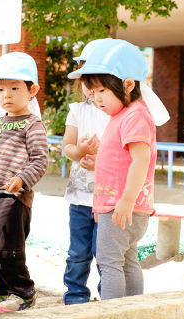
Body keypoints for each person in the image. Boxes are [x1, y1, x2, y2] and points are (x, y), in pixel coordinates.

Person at [73, 38, 158, 300]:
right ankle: (133, 308)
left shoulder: (134, 115)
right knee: (127, 260)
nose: (95, 99)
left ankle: (111, 312)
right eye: (92, 92)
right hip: (118, 205)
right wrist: (97, 163)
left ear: (128, 84)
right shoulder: (123, 115)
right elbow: (119, 162)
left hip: (122, 205)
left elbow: (141, 161)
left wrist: (124, 201)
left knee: (109, 263)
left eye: (101, 91)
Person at [0, 52, 49, 311]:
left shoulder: (33, 125)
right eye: (0, 89)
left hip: (13, 197)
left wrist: (21, 179)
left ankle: (23, 292)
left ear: (32, 90)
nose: (6, 94)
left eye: (14, 88)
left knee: (8, 249)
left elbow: (41, 161)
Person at [62, 55, 110, 305]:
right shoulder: (77, 110)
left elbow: (122, 155)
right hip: (81, 197)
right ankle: (75, 297)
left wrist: (100, 158)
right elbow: (67, 147)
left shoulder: (117, 113)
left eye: (97, 83)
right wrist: (80, 151)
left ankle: (108, 297)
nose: (91, 89)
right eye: (85, 82)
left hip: (108, 197)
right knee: (77, 253)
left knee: (103, 252)